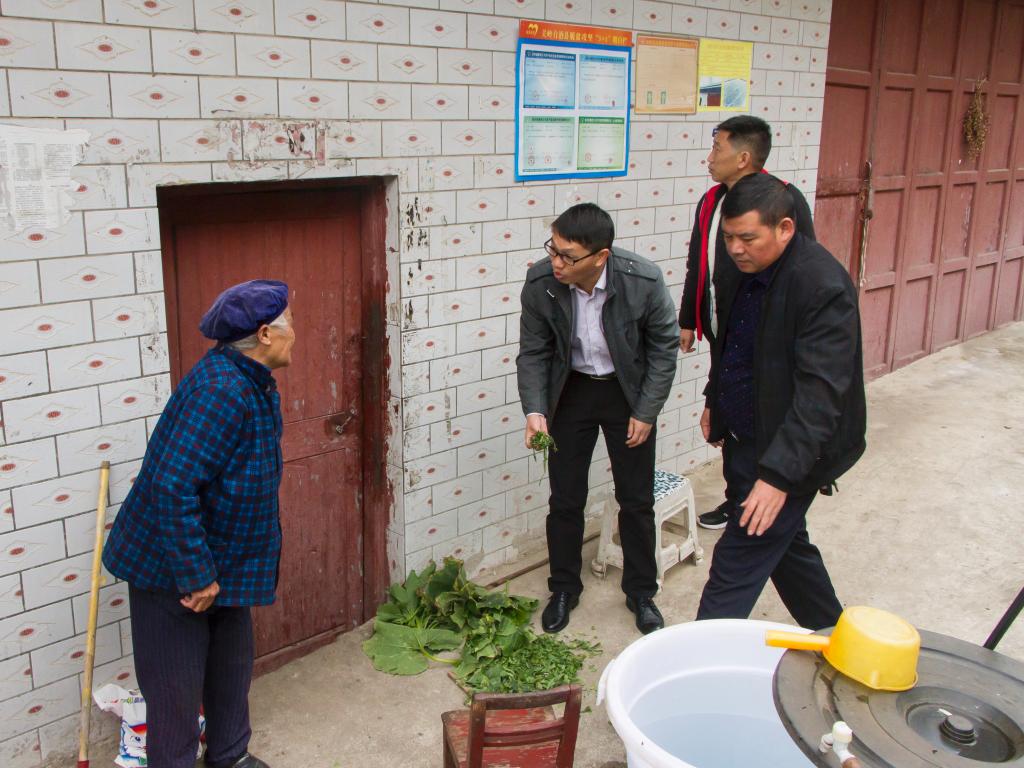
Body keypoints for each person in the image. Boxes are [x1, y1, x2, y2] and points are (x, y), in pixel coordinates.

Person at [104, 280, 296, 768]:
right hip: (173, 571)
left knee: (231, 670)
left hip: (224, 564)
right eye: (290, 324)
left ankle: (229, 756)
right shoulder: (220, 392)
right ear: (265, 334)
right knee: (175, 698)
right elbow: (172, 486)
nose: (296, 332)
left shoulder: (249, 381)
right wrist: (196, 575)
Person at [694, 173, 866, 630]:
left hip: (792, 451)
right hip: (747, 436)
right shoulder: (743, 268)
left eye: (748, 238)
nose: (735, 249)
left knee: (736, 563)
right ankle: (834, 636)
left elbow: (820, 393)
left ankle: (697, 656)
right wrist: (715, 400)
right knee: (788, 551)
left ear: (785, 228)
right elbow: (733, 345)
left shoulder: (821, 286)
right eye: (728, 237)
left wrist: (777, 478)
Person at [517, 203, 679, 635]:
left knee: (636, 498)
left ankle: (641, 591)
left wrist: (646, 411)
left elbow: (663, 349)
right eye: (553, 249)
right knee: (565, 498)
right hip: (571, 391)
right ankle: (563, 588)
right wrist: (535, 410)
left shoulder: (643, 280)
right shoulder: (541, 283)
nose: (556, 262)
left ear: (600, 256)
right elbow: (533, 351)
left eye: (567, 256)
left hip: (627, 393)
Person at [678, 115, 816, 530]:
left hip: (764, 332)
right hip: (724, 330)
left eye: (716, 148)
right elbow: (698, 261)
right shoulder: (712, 201)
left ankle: (765, 493)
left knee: (761, 410)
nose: (709, 157)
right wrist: (689, 319)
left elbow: (804, 268)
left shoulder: (784, 200)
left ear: (742, 158)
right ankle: (736, 496)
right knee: (728, 408)